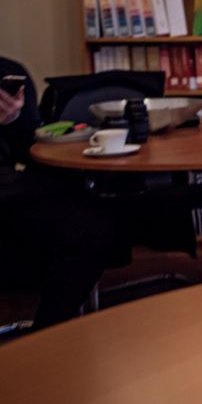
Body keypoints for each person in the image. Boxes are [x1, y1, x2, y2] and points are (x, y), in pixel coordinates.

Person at [0, 56, 117, 330]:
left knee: (93, 224)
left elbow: (28, 149)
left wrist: (13, 119)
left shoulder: (8, 74)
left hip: (11, 193)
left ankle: (48, 335)